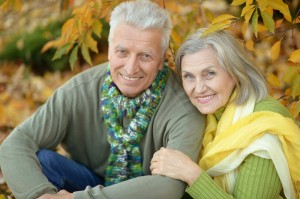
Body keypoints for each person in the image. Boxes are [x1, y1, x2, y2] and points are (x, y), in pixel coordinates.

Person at [0, 1, 205, 199]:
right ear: (108, 51)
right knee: (41, 160)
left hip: (148, 194)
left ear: (161, 61)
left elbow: (169, 188)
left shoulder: (184, 107)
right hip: (89, 182)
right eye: (122, 52)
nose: (131, 67)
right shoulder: (79, 90)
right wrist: (42, 196)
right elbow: (16, 144)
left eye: (145, 56)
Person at [150, 28, 300, 199]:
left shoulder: (263, 133)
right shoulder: (206, 116)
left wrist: (191, 174)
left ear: (235, 72)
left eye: (210, 74)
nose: (198, 88)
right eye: (189, 76)